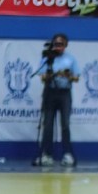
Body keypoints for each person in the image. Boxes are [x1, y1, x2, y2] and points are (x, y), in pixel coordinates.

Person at [33, 33, 80, 167]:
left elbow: (77, 78)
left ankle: (67, 154)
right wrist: (53, 74)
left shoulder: (71, 59)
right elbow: (42, 77)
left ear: (65, 45)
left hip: (64, 94)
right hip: (50, 93)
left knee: (65, 124)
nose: (58, 47)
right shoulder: (47, 58)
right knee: (48, 125)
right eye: (56, 44)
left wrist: (68, 76)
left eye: (61, 44)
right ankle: (46, 154)